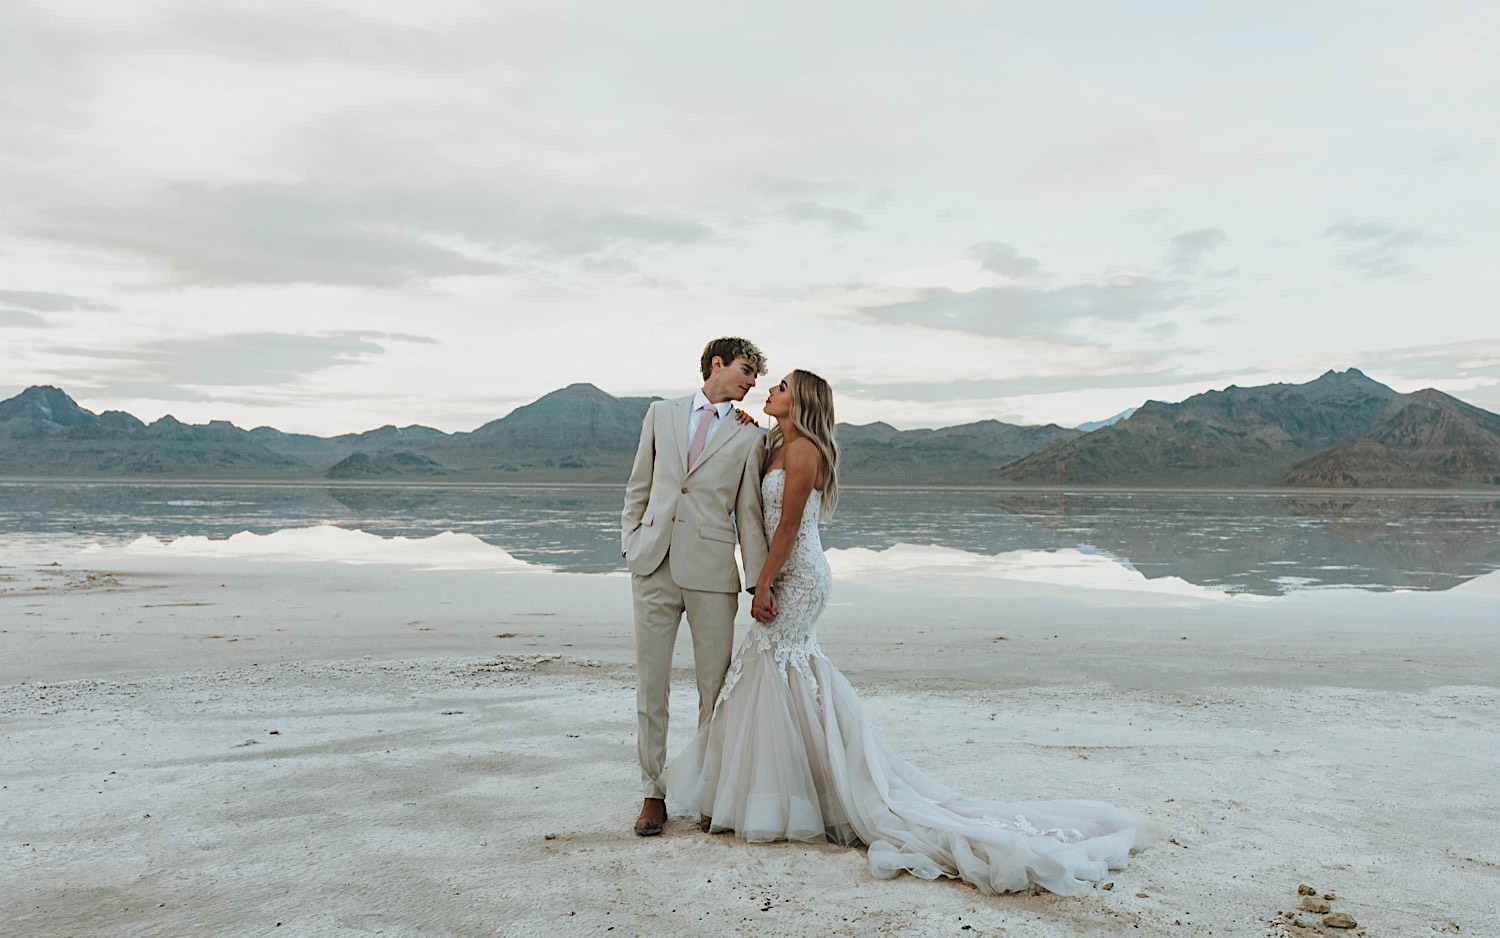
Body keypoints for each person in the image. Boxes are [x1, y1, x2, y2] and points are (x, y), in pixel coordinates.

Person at [662, 369, 1152, 895]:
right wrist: (744, 426)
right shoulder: (777, 442)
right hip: (784, 572)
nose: (770, 391)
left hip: (798, 577)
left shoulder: (805, 453)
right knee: (779, 676)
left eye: (780, 386)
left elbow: (786, 527)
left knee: (771, 669)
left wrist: (762, 583)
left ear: (800, 400)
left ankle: (793, 797)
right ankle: (789, 794)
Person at [622, 337, 771, 837]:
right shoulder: (660, 414)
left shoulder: (751, 437)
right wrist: (631, 543)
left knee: (715, 689)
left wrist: (757, 581)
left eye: (755, 376)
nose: (752, 383)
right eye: (747, 371)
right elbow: (638, 486)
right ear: (717, 364)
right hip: (654, 564)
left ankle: (710, 792)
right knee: (652, 684)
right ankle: (652, 792)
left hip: (711, 573)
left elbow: (748, 512)